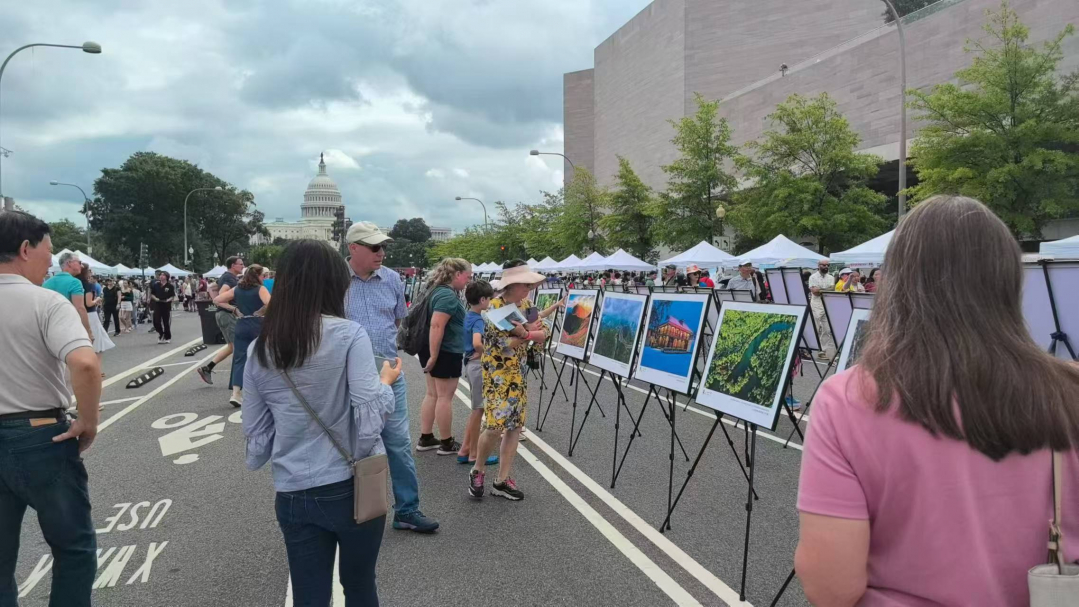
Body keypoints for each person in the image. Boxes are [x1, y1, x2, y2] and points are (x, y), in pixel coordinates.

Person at [795, 195, 1079, 606]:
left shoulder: (848, 400)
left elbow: (832, 588)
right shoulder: (1069, 390)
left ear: (896, 281)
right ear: (1008, 281)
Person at [242, 239, 402, 607]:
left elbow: (255, 433)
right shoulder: (347, 334)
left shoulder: (260, 348)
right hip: (350, 484)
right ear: (333, 284)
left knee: (309, 593)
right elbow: (369, 414)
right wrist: (385, 383)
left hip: (293, 487)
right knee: (360, 585)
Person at [0, 211, 101, 607]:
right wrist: (88, 421)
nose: (50, 260)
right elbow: (86, 363)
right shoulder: (47, 302)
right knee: (73, 548)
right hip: (40, 433)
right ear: (26, 249)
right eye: (47, 251)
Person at [344, 221, 439, 533]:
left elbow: (398, 321)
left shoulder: (392, 280)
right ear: (353, 248)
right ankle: (347, 511)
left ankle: (407, 509)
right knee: (348, 445)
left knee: (398, 443)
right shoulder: (335, 282)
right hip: (348, 377)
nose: (381, 253)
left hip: (389, 370)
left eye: (383, 246)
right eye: (374, 247)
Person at [469, 261, 549, 501]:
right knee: (494, 426)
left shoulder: (527, 305)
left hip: (518, 371)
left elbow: (544, 334)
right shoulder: (494, 309)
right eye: (525, 284)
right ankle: (478, 470)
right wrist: (527, 334)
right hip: (497, 374)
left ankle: (502, 479)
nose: (529, 288)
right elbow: (502, 346)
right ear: (512, 285)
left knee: (514, 426)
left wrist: (524, 333)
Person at [416, 258, 472, 455]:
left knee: (432, 394)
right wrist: (434, 355)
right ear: (457, 274)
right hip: (445, 351)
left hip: (434, 349)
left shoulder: (434, 289)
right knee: (444, 397)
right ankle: (446, 442)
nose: (468, 281)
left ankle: (426, 437)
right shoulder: (447, 295)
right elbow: (437, 324)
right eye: (467, 276)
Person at [214, 264, 271, 408]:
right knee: (262, 357)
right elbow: (271, 304)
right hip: (257, 325)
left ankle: (236, 393)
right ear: (257, 276)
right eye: (262, 275)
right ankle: (263, 391)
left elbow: (217, 300)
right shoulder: (260, 289)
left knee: (239, 360)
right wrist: (262, 311)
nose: (264, 278)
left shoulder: (237, 289)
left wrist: (234, 309)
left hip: (241, 324)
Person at [457, 280, 498, 466]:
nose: (490, 302)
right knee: (478, 409)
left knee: (476, 409)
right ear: (482, 300)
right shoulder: (479, 319)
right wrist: (488, 353)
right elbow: (476, 342)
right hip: (477, 364)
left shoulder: (468, 316)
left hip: (469, 363)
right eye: (489, 299)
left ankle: (466, 449)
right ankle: (473, 453)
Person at [197, 256, 244, 399]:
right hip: (227, 315)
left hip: (223, 315)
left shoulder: (226, 277)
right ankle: (236, 386)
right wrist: (233, 308)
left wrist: (215, 299)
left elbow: (212, 288)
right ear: (232, 265)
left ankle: (207, 368)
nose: (243, 266)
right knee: (238, 349)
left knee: (231, 346)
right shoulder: (230, 279)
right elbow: (221, 296)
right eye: (240, 264)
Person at [42, 251, 93, 342]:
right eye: (79, 262)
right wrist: (88, 332)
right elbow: (80, 308)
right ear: (69, 263)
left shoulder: (47, 282)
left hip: (49, 328)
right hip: (69, 329)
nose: (81, 266)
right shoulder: (75, 282)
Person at [80, 265, 115, 375]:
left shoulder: (75, 283)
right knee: (98, 344)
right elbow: (89, 303)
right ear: (87, 273)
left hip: (77, 314)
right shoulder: (89, 286)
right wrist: (97, 299)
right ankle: (96, 370)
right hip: (90, 314)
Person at [808, 259, 835, 359]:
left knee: (827, 330)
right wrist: (826, 290)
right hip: (816, 305)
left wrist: (820, 290)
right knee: (814, 328)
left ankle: (822, 351)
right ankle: (808, 350)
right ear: (818, 265)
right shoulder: (813, 277)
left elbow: (833, 290)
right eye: (823, 265)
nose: (826, 267)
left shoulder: (831, 277)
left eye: (827, 265)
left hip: (827, 305)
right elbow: (815, 292)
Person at [150, 270, 176, 344]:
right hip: (158, 304)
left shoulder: (170, 286)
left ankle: (167, 336)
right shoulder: (156, 285)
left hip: (166, 304)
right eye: (161, 275)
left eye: (163, 275)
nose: (161, 276)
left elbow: (172, 296)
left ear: (167, 277)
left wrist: (169, 300)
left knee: (166, 322)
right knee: (156, 321)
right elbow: (152, 294)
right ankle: (161, 333)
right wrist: (155, 298)